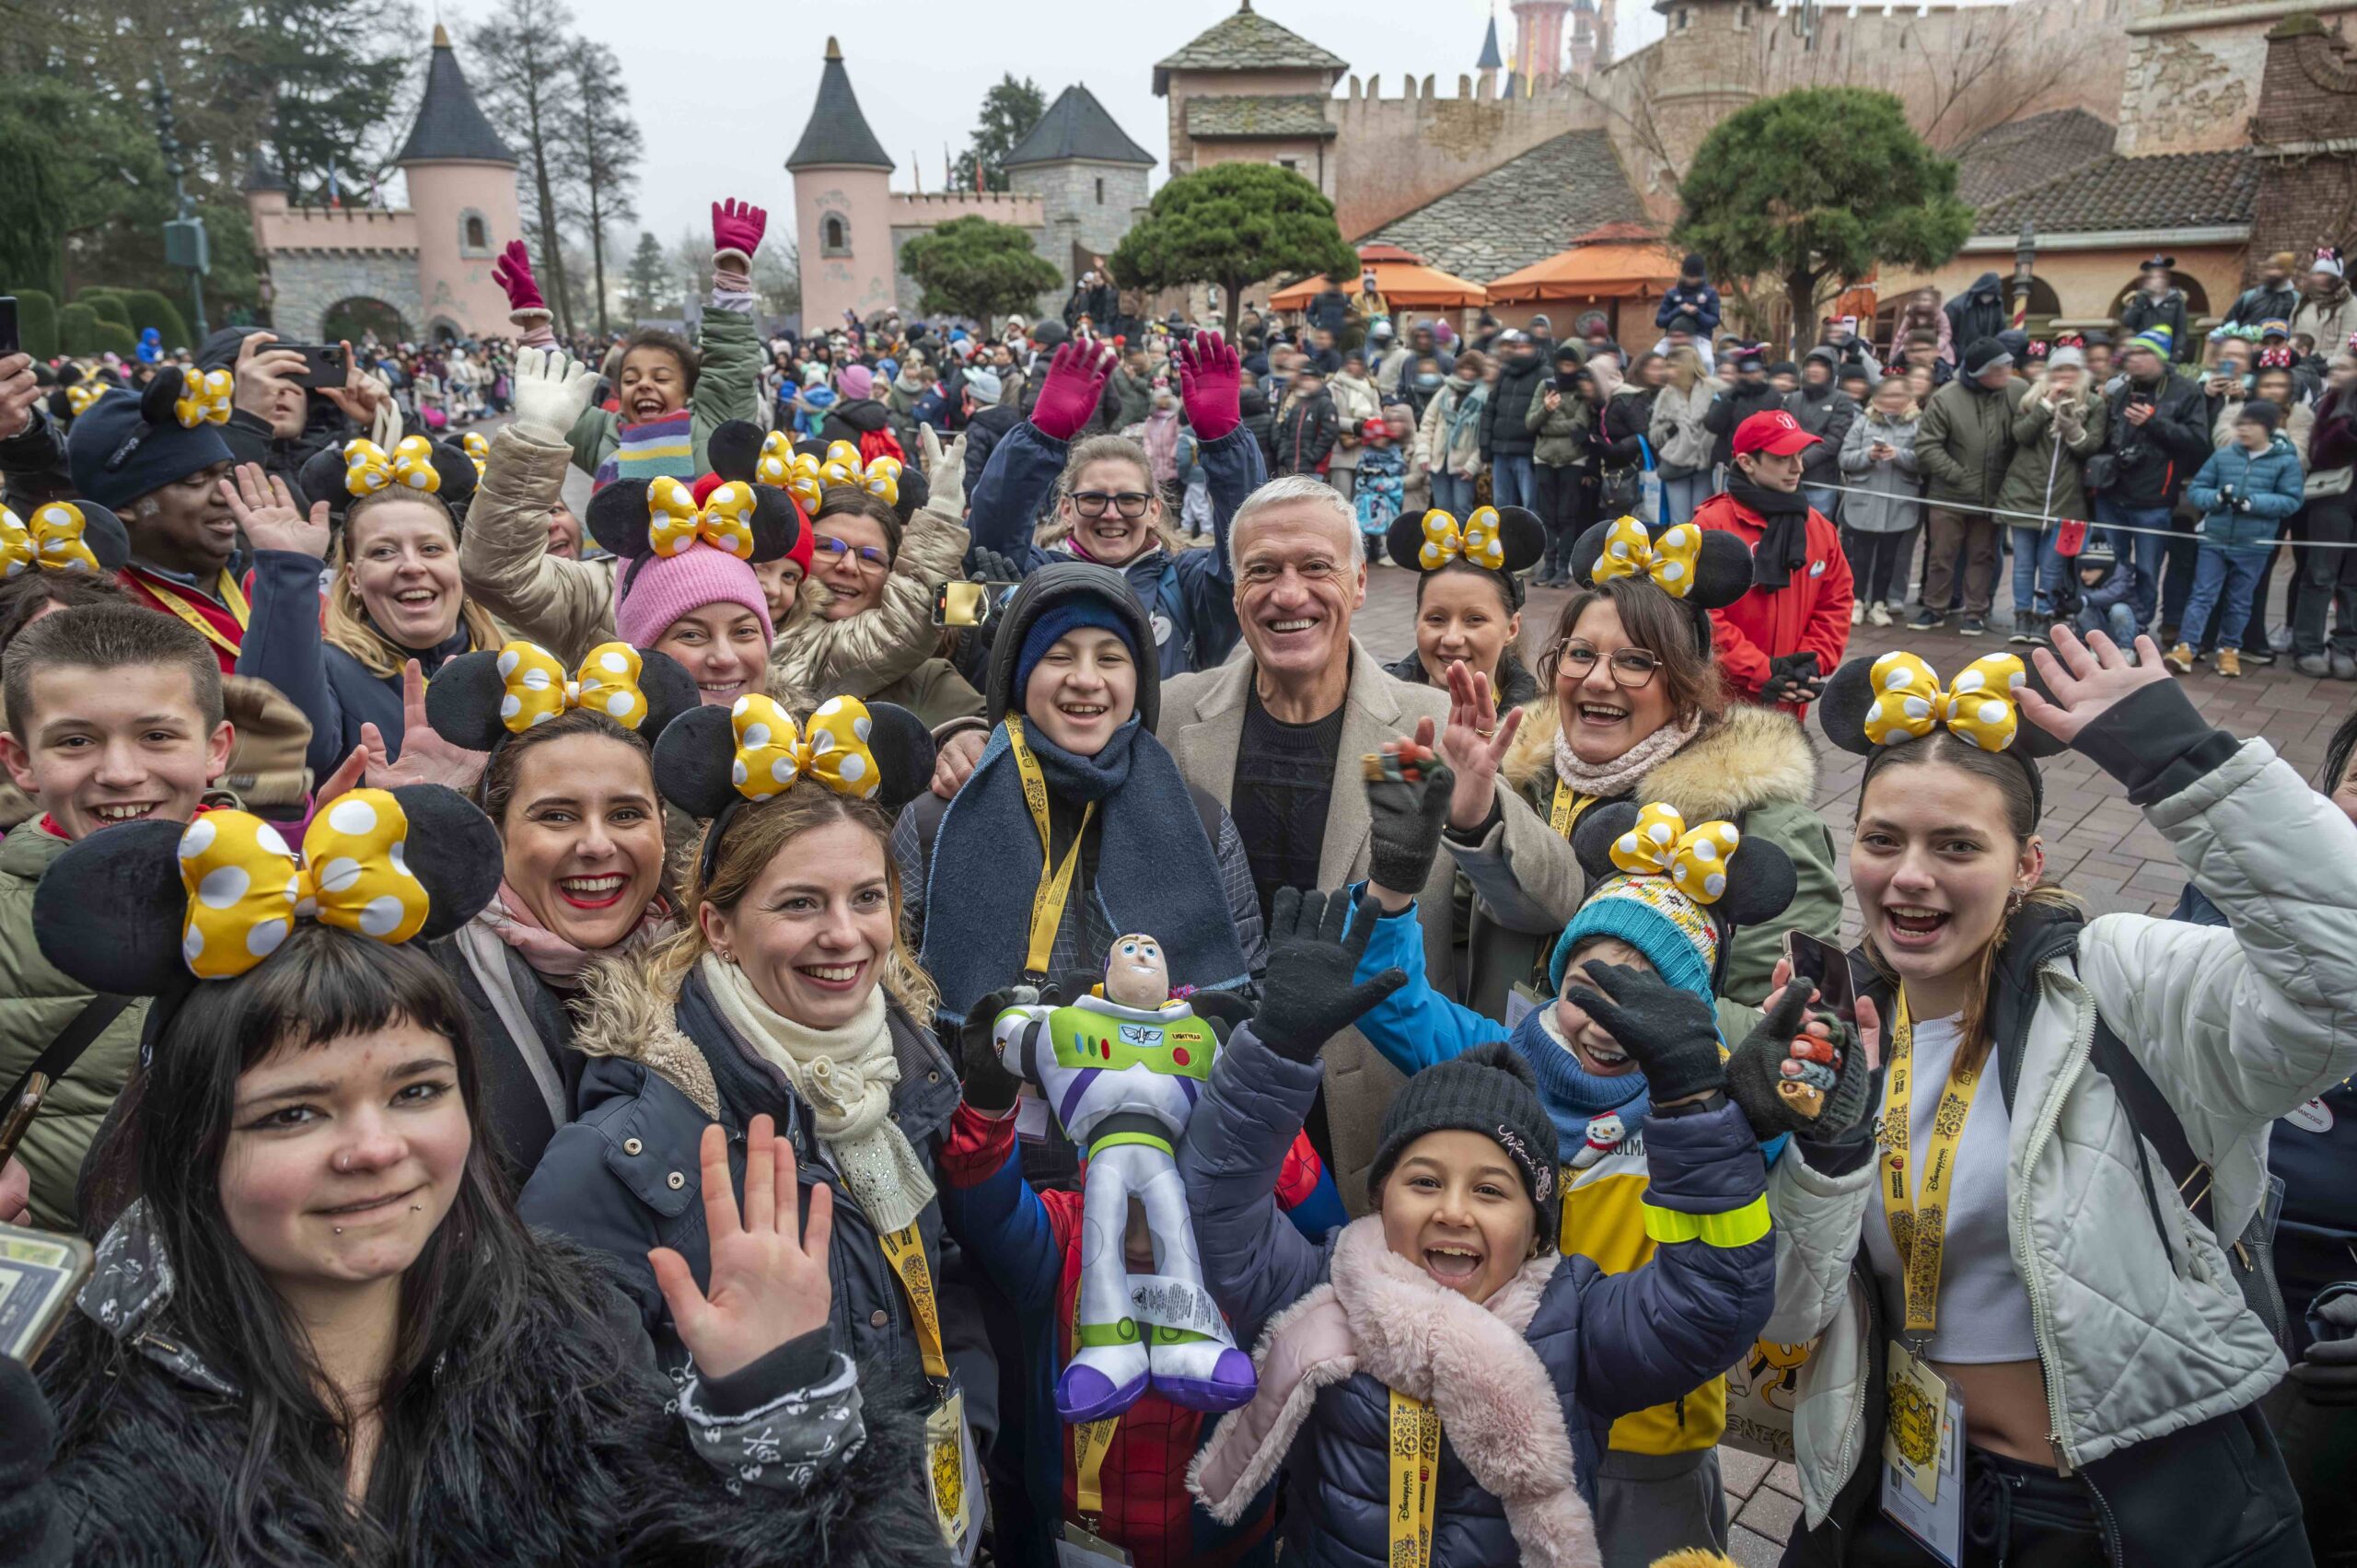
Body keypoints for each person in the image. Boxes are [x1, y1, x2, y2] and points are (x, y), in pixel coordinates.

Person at [6, 781, 936, 1565]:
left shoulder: (567, 1362)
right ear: (191, 1141)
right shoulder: (71, 1434)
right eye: (293, 1112)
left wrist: (770, 1419)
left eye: (416, 1090)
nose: (374, 1148)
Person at [1770, 631, 2356, 1565]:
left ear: (2028, 864)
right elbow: (1787, 1315)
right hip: (1908, 1501)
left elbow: (2342, 973)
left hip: (2124, 1514)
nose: (1909, 873)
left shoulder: (2120, 981)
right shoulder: (1841, 1029)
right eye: (1884, 839)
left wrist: (2178, 757)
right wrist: (1811, 1144)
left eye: (1956, 843)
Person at [519, 691, 995, 1560]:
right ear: (719, 928)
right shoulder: (622, 1154)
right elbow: (582, 1465)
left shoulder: (900, 1077)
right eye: (801, 904)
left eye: (866, 898)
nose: (845, 936)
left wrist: (970, 1419)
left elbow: (945, 1266)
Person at [1179, 889, 1778, 1567]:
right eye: (1424, 1180)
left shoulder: (1575, 1328)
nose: (1453, 1211)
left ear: (1537, 1228)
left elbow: (1715, 1301)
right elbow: (1214, 1208)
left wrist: (1696, 1107)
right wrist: (1275, 1049)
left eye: (1491, 1190)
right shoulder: (1324, 1288)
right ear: (1380, 1196)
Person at [1141, 476, 1500, 1210]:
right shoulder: (1175, 713)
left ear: (1361, 583)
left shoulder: (1419, 724)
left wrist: (1476, 816)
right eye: (1263, 570)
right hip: (1205, 1088)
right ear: (1235, 589)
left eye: (1315, 567)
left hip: (1369, 1106)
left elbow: (1543, 902)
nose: (1289, 593)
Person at [898, 562, 1264, 1044]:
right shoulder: (936, 821)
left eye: (1111, 659)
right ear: (1018, 678)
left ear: (1140, 681)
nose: (1086, 679)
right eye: (1058, 656)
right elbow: (895, 998)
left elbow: (1249, 984)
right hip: (987, 1109)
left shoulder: (1201, 819)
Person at [407, 641, 698, 1179]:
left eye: (627, 814)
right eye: (558, 817)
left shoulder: (716, 968)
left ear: (662, 826)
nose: (595, 844)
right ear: (495, 832)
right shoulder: (426, 980)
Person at [0, 603, 228, 1230]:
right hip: (59, 1286)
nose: (122, 773)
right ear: (20, 761)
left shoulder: (291, 900)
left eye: (157, 736)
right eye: (75, 740)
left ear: (216, 749)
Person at [967, 337, 1262, 678]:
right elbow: (991, 537)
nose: (1111, 514)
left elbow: (1249, 551)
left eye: (1129, 500)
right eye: (1092, 499)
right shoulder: (1036, 577)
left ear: (1154, 509)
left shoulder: (1187, 586)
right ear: (1065, 508)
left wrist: (1225, 443)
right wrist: (1039, 439)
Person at [232, 460, 497, 784]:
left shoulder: (515, 662)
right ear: (354, 579)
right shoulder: (326, 669)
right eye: (383, 552)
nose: (412, 566)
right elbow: (282, 753)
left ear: (460, 564)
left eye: (431, 548)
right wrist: (287, 570)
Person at [492, 210, 765, 484]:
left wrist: (732, 271)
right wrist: (533, 319)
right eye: (630, 379)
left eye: (661, 377)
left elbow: (731, 364)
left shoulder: (713, 423)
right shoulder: (605, 435)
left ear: (688, 390)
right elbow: (559, 396)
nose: (643, 385)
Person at [64, 369, 250, 671]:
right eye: (195, 480)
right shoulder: (102, 620)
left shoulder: (268, 576)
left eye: (226, 474)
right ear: (125, 505)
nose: (226, 494)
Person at [1693, 411, 1853, 715]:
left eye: (1799, 455)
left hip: (1788, 696)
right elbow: (1701, 613)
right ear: (1746, 462)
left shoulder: (1819, 527)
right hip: (1723, 699)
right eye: (1782, 458)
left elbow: (1836, 602)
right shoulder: (1712, 524)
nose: (1798, 467)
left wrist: (1810, 663)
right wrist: (1761, 669)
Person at [2167, 399, 2305, 679]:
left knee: (2241, 599)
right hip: (2214, 538)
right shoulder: (2224, 455)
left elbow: (2291, 501)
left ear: (2268, 427)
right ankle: (2186, 646)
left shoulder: (2286, 461)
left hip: (2254, 543)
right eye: (2241, 423)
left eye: (2251, 424)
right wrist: (2217, 498)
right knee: (2202, 594)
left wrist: (2252, 503)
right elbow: (2197, 490)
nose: (2244, 430)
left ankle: (2229, 649)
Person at [2094, 327, 2212, 636]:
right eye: (2132, 353)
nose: (2135, 360)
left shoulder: (2186, 390)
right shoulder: (2121, 390)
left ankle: (2137, 627)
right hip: (2112, 494)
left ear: (2160, 358)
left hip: (2155, 499)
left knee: (2147, 570)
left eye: (2144, 353)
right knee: (2109, 564)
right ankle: (2108, 626)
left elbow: (2199, 442)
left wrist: (2152, 421)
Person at [1382, 505, 1545, 711]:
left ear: (1512, 629)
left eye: (1475, 619)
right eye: (1436, 619)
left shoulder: (1545, 732)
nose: (1451, 638)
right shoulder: (1372, 708)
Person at [1910, 340, 2024, 635]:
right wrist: (1958, 475)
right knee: (1941, 555)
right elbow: (1927, 445)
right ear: (1980, 372)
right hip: (1949, 495)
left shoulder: (2018, 391)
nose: (2007, 372)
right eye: (2000, 368)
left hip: (1993, 495)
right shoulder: (1946, 398)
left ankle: (1976, 612)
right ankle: (1935, 607)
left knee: (1983, 554)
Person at [1998, 345, 2107, 645]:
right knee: (2022, 563)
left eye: (2071, 369)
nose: (2065, 376)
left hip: (2067, 499)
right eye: (2059, 370)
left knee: (2052, 564)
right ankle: (2022, 615)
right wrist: (2046, 406)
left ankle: (2045, 615)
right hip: (2025, 493)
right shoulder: (2032, 399)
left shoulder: (2094, 404)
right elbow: (2020, 435)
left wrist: (2072, 427)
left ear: (2081, 372)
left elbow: (2090, 447)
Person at [1837, 376, 1924, 628]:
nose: (1890, 401)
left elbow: (1925, 460)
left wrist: (1899, 455)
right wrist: (1868, 455)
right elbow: (1845, 458)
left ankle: (1879, 603)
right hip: (1863, 500)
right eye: (1885, 396)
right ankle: (1856, 601)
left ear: (1909, 398)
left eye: (1897, 395)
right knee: (1860, 556)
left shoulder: (1919, 424)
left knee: (1889, 557)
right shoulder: (1863, 422)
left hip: (1899, 503)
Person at [2293, 351, 2357, 678]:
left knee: (2353, 580)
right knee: (2320, 574)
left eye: (2344, 368)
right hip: (2332, 498)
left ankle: (2346, 646)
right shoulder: (2330, 403)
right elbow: (2323, 449)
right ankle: (2307, 645)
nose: (2334, 372)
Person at [1527, 347, 1595, 587]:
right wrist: (1546, 410)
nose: (1566, 369)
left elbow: (1580, 425)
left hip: (1572, 459)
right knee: (1547, 514)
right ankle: (1548, 565)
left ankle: (1563, 568)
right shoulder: (1546, 385)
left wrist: (1548, 424)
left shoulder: (1582, 388)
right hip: (1544, 457)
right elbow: (1531, 422)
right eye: (1563, 365)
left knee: (1567, 514)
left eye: (1571, 365)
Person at [1785, 347, 1858, 521]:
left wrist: (1802, 461)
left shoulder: (1841, 400)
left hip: (1820, 481)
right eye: (1810, 365)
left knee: (1817, 531)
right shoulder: (1792, 399)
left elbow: (1833, 440)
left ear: (1831, 370)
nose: (1814, 370)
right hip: (1786, 477)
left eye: (1820, 366)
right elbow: (1780, 431)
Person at [1417, 350, 1491, 518]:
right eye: (1464, 368)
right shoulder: (1445, 391)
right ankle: (1445, 544)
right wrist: (1423, 454)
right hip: (1438, 459)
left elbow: (1484, 436)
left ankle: (1462, 544)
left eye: (1472, 369)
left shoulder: (1483, 396)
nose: (1467, 373)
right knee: (1442, 511)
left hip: (1464, 463)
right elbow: (1428, 422)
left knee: (1462, 510)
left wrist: (1473, 464)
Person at [1481, 330, 1549, 512]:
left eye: (1524, 347)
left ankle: (1531, 541)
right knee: (1501, 507)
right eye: (1516, 347)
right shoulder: (1505, 373)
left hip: (1527, 452)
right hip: (1500, 451)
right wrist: (1486, 449)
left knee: (1530, 507)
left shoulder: (1544, 374)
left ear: (1535, 348)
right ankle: (1504, 541)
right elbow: (1490, 410)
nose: (1519, 350)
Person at [1650, 346, 1716, 526]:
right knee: (1679, 523)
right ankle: (1677, 554)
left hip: (1705, 464)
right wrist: (1671, 429)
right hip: (1676, 464)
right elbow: (1654, 435)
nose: (1667, 372)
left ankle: (1702, 555)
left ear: (1687, 366)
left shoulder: (1712, 389)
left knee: (1701, 520)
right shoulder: (1666, 394)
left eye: (1672, 366)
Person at [1702, 344, 1783, 479]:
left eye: (1755, 370)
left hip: (1763, 466)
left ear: (1762, 371)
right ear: (1739, 373)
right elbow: (1712, 425)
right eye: (1746, 372)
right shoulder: (1725, 395)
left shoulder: (1775, 396)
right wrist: (1731, 399)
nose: (1752, 375)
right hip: (1728, 465)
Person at [2119, 254, 2196, 364]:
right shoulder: (2139, 299)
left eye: (2161, 277)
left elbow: (2181, 331)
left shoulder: (2176, 301)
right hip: (2142, 352)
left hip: (2165, 352)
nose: (2157, 281)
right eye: (2153, 277)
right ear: (2147, 280)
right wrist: (2140, 301)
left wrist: (2178, 352)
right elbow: (2128, 322)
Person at [2070, 535, 2142, 646]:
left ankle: (2126, 649)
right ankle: (2095, 646)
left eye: (2089, 569)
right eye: (2081, 569)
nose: (2083, 574)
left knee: (2119, 610)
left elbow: (2113, 593)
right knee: (2083, 609)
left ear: (2104, 568)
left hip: (2125, 631)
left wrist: (2084, 600)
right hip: (2098, 632)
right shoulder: (2087, 580)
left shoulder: (2123, 577)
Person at [1272, 362, 1341, 481]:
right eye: (1304, 379)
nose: (1307, 383)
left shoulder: (1324, 404)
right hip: (1291, 470)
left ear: (1319, 381)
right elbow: (1285, 432)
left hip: (1315, 470)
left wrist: (1314, 456)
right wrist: (1283, 455)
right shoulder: (1297, 406)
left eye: (1311, 379)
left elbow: (1329, 433)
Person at [2292, 247, 2357, 360]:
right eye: (2314, 273)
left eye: (2321, 273)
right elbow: (2293, 330)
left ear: (2333, 278)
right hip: (2300, 362)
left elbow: (2347, 337)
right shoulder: (2305, 301)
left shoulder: (2349, 303)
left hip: (2327, 364)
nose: (2314, 277)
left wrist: (2333, 363)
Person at [2226, 251, 2303, 331]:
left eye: (2276, 268)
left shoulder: (2296, 299)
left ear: (2287, 271)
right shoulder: (2249, 297)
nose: (2270, 272)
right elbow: (2228, 327)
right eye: (2268, 268)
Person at [1656, 254, 1724, 339]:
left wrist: (1697, 313)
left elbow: (1713, 321)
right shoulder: (1671, 293)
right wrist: (1679, 310)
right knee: (1656, 352)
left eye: (1695, 277)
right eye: (1688, 276)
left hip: (1701, 337)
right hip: (1673, 337)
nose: (1691, 280)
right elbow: (1660, 321)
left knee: (1705, 353)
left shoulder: (1710, 294)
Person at [1948, 276, 2011, 359]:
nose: (1989, 296)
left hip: (1986, 353)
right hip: (1960, 354)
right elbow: (1947, 332)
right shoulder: (1957, 306)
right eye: (1987, 293)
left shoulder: (1996, 304)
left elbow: (2001, 328)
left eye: (1992, 294)